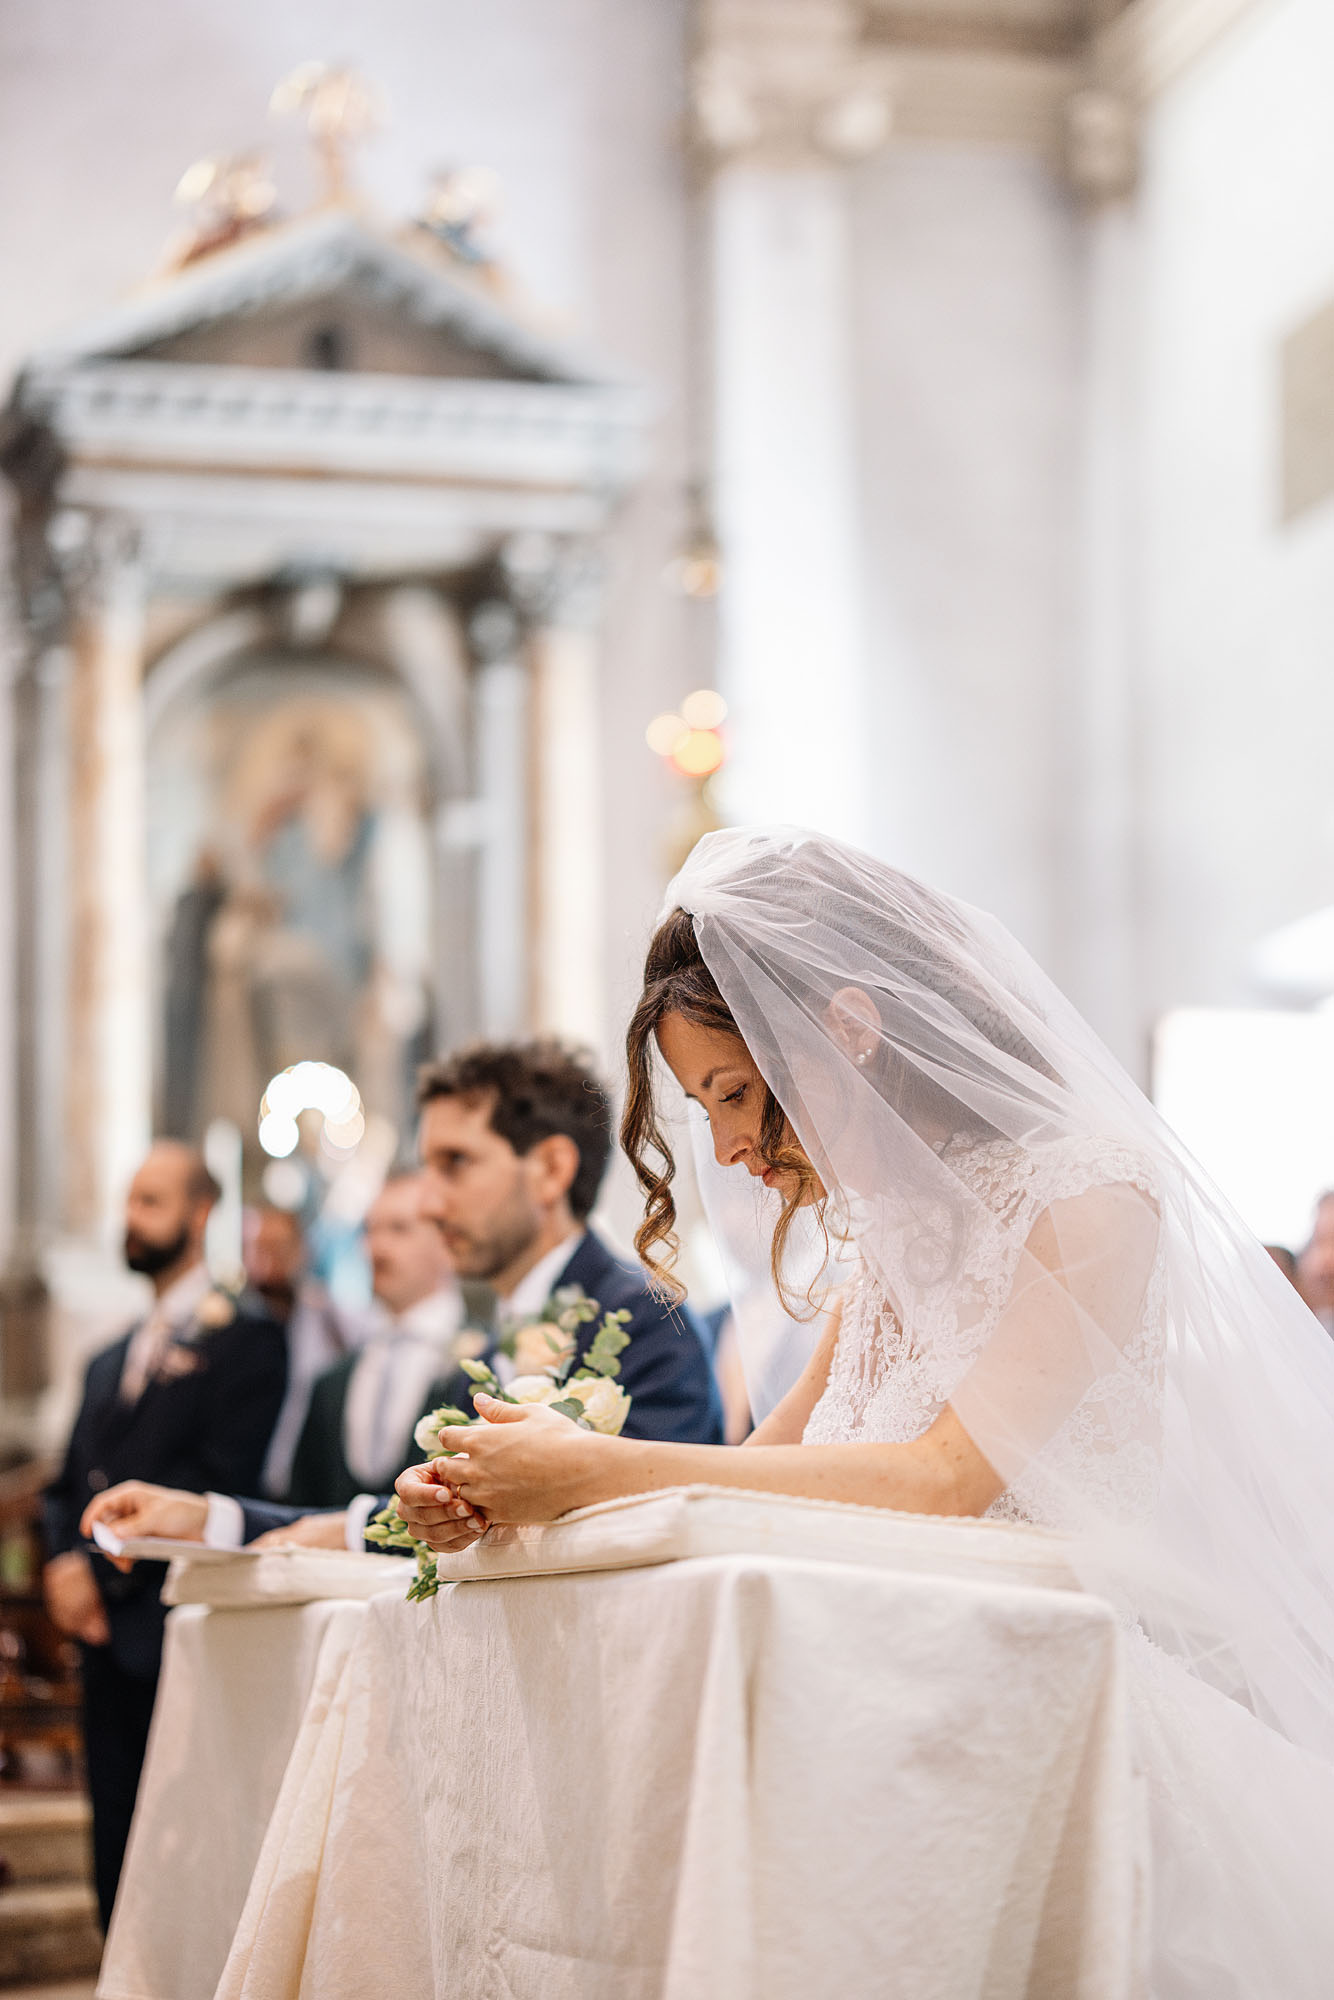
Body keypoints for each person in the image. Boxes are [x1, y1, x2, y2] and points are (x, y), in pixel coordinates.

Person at [396, 826, 1334, 1998]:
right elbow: (740, 1476)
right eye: (704, 1107)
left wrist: (588, 1466)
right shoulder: (885, 1251)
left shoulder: (1088, 1191)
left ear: (844, 1027)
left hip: (1054, 1727)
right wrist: (508, 1494)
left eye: (734, 1093)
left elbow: (945, 1479)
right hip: (867, 1700)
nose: (727, 1145)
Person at [82, 1036, 723, 1556]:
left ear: (551, 1169)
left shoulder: (642, 1320)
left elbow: (654, 1521)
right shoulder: (477, 1353)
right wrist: (215, 1520)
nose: (429, 1200)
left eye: (456, 1163)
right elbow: (414, 1518)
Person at [42, 1142, 287, 1930]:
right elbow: (64, 1481)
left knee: (182, 1846)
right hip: (102, 1637)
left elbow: (225, 1478)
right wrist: (60, 1563)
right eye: (130, 1201)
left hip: (172, 1621)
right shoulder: (109, 1355)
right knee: (111, 1839)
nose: (132, 1218)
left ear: (200, 1213)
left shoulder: (245, 1338)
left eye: (151, 1202)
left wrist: (100, 1573)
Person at [286, 1171, 492, 1511]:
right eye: (369, 1230)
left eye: (399, 1229)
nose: (376, 1248)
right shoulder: (331, 1382)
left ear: (446, 1241)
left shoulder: (489, 1361)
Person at [244, 1204, 362, 1497]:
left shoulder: (333, 1321)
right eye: (260, 1247)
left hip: (303, 1480)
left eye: (280, 1246)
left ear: (303, 1250)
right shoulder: (232, 1327)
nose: (270, 1259)